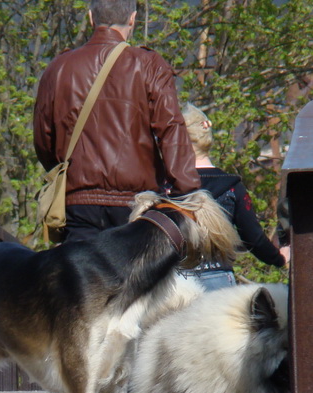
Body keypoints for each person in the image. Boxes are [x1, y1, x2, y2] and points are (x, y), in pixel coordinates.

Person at [33, 0, 200, 243]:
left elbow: (43, 140)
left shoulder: (58, 68)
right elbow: (171, 130)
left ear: (91, 18)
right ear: (132, 19)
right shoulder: (149, 65)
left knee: (82, 278)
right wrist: (186, 193)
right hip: (137, 206)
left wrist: (66, 172)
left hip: (78, 204)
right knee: (136, 280)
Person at [179, 103, 289, 290]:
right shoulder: (232, 187)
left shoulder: (167, 187)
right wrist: (278, 258)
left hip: (176, 283)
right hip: (217, 279)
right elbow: (253, 238)